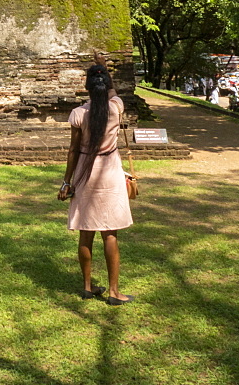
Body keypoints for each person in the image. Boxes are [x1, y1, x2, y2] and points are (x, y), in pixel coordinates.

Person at [58, 63, 134, 305]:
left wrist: (66, 182)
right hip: (110, 172)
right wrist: (103, 70)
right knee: (110, 235)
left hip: (85, 173)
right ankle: (114, 291)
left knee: (86, 233)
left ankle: (88, 287)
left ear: (86, 87)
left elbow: (73, 150)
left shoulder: (79, 114)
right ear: (107, 85)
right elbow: (112, 93)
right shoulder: (116, 108)